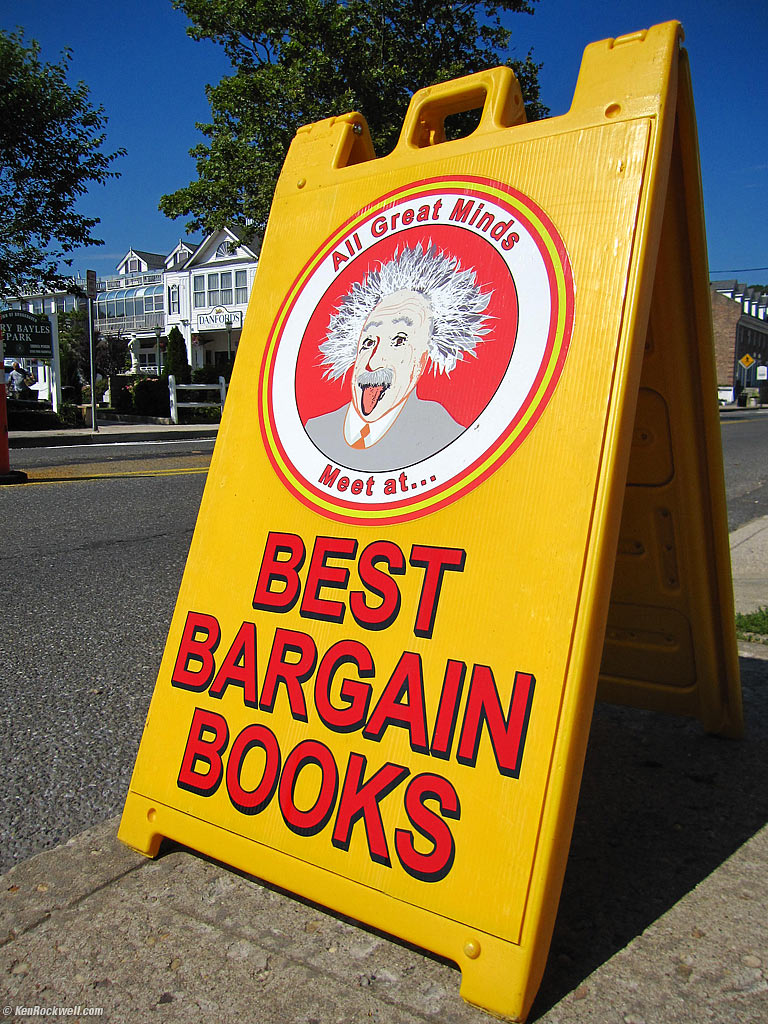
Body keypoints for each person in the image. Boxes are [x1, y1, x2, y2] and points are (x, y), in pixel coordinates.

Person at [304, 243, 492, 471]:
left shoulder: (445, 436)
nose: (372, 363)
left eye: (399, 341)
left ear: (423, 359)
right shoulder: (315, 432)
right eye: (369, 342)